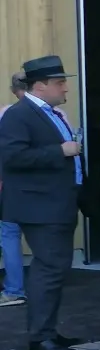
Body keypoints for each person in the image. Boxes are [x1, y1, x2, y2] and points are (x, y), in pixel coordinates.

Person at [0, 55, 87, 350]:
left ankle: (48, 331)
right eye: (59, 82)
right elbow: (12, 158)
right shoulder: (19, 115)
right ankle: (40, 337)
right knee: (48, 268)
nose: (65, 88)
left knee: (55, 269)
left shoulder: (52, 114)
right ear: (39, 85)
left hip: (56, 204)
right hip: (39, 207)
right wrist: (60, 151)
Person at [0, 73, 31, 307]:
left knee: (9, 235)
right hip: (43, 188)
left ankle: (14, 289)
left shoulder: (7, 113)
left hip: (11, 186)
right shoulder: (55, 114)